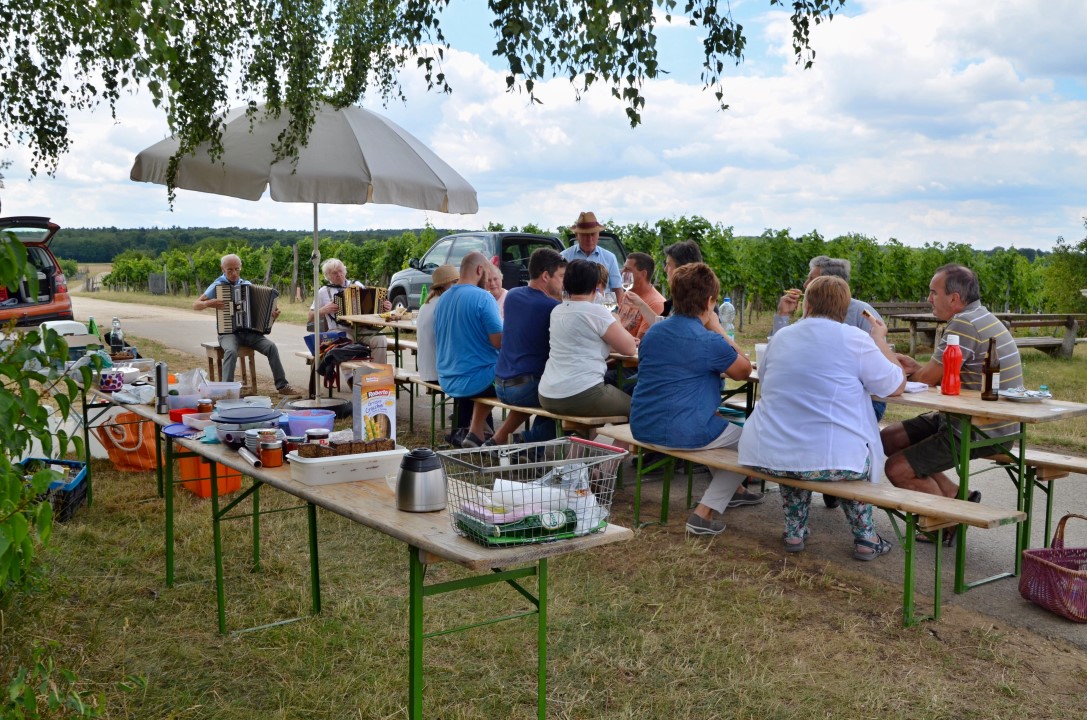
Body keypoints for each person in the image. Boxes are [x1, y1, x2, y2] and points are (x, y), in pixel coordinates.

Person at [739, 275, 906, 559]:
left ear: (807, 304)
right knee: (847, 456)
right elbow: (895, 385)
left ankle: (794, 531)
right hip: (836, 462)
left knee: (797, 445)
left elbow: (765, 379)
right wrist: (880, 340)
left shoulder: (782, 336)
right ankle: (865, 537)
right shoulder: (855, 338)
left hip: (770, 456)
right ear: (845, 307)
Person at [881, 264, 1023, 514]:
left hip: (981, 429)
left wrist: (884, 352)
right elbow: (940, 372)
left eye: (933, 292)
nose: (929, 299)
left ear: (955, 298)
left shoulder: (963, 324)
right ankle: (955, 494)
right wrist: (917, 368)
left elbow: (928, 380)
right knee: (889, 438)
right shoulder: (979, 316)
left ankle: (945, 523)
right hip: (984, 421)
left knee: (897, 469)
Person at [629, 263, 754, 536]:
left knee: (718, 422)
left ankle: (736, 490)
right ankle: (704, 513)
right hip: (683, 432)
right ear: (710, 302)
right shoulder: (710, 341)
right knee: (752, 444)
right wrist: (718, 327)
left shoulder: (653, 333)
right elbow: (744, 371)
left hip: (642, 426)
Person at [772, 255, 885, 509]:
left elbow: (879, 370)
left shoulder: (862, 313)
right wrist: (782, 316)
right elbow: (777, 349)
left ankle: (830, 483)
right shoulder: (809, 313)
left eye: (810, 279)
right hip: (816, 400)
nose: (804, 285)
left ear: (828, 283)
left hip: (858, 402)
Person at [538, 260, 638, 420]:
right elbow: (630, 349)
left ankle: (586, 445)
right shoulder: (596, 312)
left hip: (547, 394)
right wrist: (617, 320)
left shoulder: (557, 311)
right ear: (595, 286)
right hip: (582, 394)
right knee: (639, 410)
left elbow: (584, 343)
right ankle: (614, 446)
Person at [193, 254, 300, 396]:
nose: (234, 273)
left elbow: (264, 314)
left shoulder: (247, 286)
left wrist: (272, 316)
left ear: (240, 268)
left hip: (250, 333)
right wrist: (208, 303)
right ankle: (227, 391)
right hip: (228, 333)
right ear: (222, 269)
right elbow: (196, 305)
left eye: (237, 269)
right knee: (230, 351)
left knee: (271, 347)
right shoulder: (217, 285)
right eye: (229, 270)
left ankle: (282, 386)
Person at [491, 248, 567, 444]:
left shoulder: (513, 295)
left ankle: (500, 440)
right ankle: (526, 442)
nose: (563, 282)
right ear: (545, 276)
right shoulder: (551, 308)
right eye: (560, 276)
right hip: (525, 388)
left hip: (501, 385)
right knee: (571, 400)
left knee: (549, 391)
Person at [435, 252, 503, 448]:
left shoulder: (443, 299)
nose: (489, 282)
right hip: (476, 380)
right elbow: (499, 342)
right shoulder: (483, 298)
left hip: (448, 378)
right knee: (523, 379)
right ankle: (508, 438)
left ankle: (477, 432)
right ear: (479, 270)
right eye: (488, 276)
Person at [306, 258, 392, 364]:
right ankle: (351, 377)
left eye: (340, 271)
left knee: (380, 339)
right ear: (327, 276)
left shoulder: (357, 285)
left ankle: (377, 375)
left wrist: (385, 307)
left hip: (362, 329)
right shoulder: (323, 292)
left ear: (345, 271)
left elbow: (372, 306)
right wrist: (324, 310)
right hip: (339, 330)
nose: (339, 274)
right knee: (345, 343)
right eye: (334, 273)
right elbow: (309, 317)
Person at [560, 211, 625, 305]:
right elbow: (559, 288)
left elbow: (617, 289)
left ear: (598, 235)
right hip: (574, 312)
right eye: (585, 235)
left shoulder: (609, 258)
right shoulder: (564, 257)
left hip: (603, 313)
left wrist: (620, 313)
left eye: (593, 234)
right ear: (576, 236)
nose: (589, 239)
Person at [415, 264, 458, 383]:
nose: (458, 286)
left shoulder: (426, 304)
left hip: (425, 370)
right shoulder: (445, 304)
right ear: (444, 285)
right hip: (440, 374)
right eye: (454, 282)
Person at [614, 252, 665, 339]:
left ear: (643, 274)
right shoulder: (627, 295)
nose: (623, 271)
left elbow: (639, 342)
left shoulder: (656, 303)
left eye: (628, 269)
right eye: (624, 268)